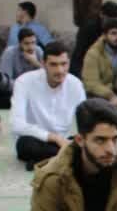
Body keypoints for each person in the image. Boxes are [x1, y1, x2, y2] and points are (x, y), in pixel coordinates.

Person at [11, 41, 86, 169]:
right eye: (53, 64)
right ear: (43, 64)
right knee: (25, 145)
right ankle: (67, 157)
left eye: (64, 64)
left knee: (88, 143)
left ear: (69, 63)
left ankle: (49, 160)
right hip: (36, 139)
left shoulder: (75, 85)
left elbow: (86, 121)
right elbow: (16, 124)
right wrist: (54, 138)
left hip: (64, 141)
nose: (60, 70)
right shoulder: (24, 82)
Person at [71, 0, 117, 70]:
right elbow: (78, 56)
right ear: (101, 15)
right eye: (109, 19)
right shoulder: (88, 28)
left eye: (115, 20)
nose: (112, 23)